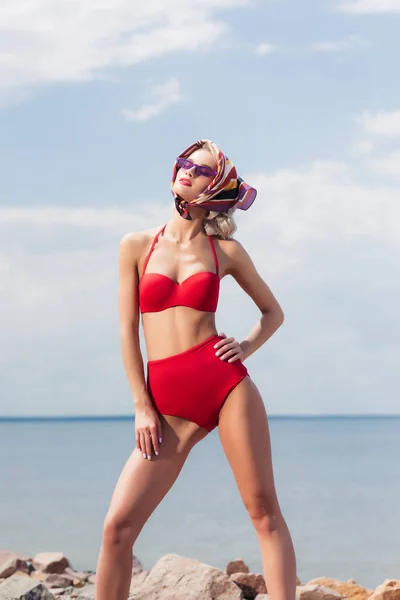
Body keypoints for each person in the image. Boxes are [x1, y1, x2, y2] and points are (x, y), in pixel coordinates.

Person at [95, 139, 297, 600]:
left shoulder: (226, 251)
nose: (186, 171)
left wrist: (244, 347)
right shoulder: (136, 245)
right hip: (164, 403)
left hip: (225, 388)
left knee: (264, 512)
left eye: (200, 169)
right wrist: (141, 406)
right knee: (117, 529)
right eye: (185, 163)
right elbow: (127, 330)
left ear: (216, 188)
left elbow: (273, 313)